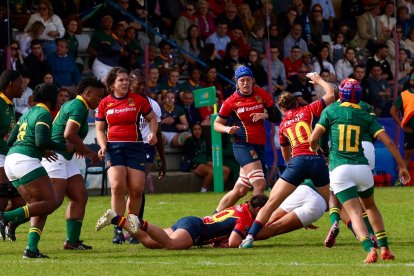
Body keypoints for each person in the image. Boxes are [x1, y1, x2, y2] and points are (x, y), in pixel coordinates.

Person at [309, 78, 411, 263]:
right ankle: (385, 248)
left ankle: (369, 249)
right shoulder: (365, 113)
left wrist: (315, 147)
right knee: (370, 207)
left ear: (340, 94)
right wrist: (402, 166)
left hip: (340, 168)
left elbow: (314, 137)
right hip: (362, 168)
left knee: (355, 212)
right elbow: (388, 141)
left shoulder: (331, 110)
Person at [239, 72, 335, 249]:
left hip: (297, 161)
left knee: (271, 203)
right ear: (297, 102)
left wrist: (293, 171)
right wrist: (319, 80)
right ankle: (357, 231)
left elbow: (285, 153)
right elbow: (331, 94)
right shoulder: (308, 109)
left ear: (282, 110)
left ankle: (250, 237)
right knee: (333, 201)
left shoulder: (283, 125)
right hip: (316, 160)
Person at [0, 83, 74, 258]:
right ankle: (5, 216)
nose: (59, 99)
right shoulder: (43, 113)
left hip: (12, 159)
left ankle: (31, 249)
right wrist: (63, 146)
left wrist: (41, 150)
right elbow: (41, 141)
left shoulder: (27, 113)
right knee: (49, 203)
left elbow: (11, 140)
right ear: (50, 98)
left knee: (40, 207)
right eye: (57, 96)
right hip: (26, 161)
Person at [95, 67, 158, 244]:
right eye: (121, 80)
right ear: (112, 84)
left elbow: (152, 119)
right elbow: (100, 129)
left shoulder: (138, 100)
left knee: (137, 189)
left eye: (126, 80)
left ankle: (132, 228)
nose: (125, 83)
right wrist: (102, 146)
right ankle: (117, 228)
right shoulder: (104, 103)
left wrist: (152, 133)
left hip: (136, 148)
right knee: (117, 186)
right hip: (113, 149)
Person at [40, 77, 104, 250]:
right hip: (55, 157)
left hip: (64, 157)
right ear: (88, 93)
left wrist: (77, 147)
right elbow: (69, 134)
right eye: (98, 96)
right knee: (52, 202)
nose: (100, 100)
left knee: (80, 195)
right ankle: (9, 219)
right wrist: (88, 151)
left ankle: (72, 242)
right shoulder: (78, 106)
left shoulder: (76, 105)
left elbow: (66, 133)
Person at [213, 66, 281, 212]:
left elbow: (277, 116)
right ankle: (253, 224)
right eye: (242, 80)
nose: (245, 83)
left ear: (252, 81)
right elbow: (216, 124)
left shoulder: (261, 94)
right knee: (260, 184)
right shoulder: (231, 101)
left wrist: (265, 115)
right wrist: (227, 129)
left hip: (259, 146)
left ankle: (212, 217)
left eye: (248, 80)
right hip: (243, 145)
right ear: (237, 83)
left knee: (241, 190)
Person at [95, 195, 269, 249]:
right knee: (170, 245)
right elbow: (233, 242)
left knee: (150, 243)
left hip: (192, 222)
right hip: (196, 229)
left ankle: (116, 218)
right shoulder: (246, 217)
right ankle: (140, 222)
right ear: (259, 209)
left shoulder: (241, 207)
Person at [0, 70, 26, 241]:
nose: (23, 87)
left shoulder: (9, 104)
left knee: (20, 199)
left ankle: (7, 222)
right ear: (10, 84)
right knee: (2, 193)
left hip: (9, 155)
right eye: (20, 83)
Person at [183, 123, 230, 192]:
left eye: (199, 129)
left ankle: (218, 190)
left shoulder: (204, 140)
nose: (197, 131)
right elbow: (192, 158)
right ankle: (203, 190)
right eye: (195, 129)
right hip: (195, 165)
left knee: (226, 170)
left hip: (207, 163)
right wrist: (206, 162)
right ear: (192, 131)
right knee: (212, 172)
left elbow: (208, 154)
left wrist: (211, 162)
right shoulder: (189, 141)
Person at [390, 72, 414, 167]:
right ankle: (401, 181)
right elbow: (392, 111)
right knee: (407, 157)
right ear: (411, 82)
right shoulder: (405, 95)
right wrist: (402, 125)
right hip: (410, 131)